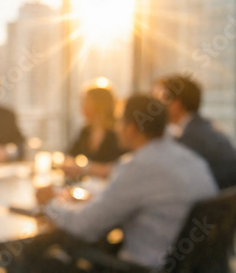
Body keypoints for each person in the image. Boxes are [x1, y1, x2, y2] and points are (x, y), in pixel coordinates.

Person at [37, 95, 218, 269]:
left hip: (145, 266)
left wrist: (50, 205)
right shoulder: (192, 159)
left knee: (41, 259)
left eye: (118, 121)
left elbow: (85, 227)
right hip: (192, 265)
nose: (116, 128)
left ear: (130, 128)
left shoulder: (137, 166)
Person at [154, 75, 236, 189]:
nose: (156, 108)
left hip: (208, 201)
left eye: (159, 100)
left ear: (176, 104)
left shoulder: (191, 139)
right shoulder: (204, 126)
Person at [62, 87, 125, 179]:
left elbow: (117, 168)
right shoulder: (86, 131)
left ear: (99, 104)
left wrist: (83, 168)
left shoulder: (118, 132)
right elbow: (70, 155)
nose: (82, 106)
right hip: (84, 187)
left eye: (86, 101)